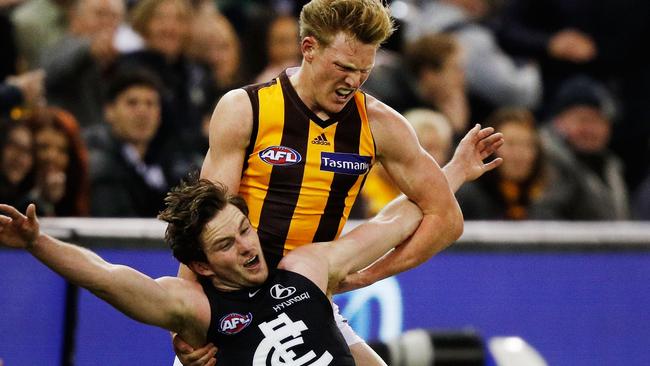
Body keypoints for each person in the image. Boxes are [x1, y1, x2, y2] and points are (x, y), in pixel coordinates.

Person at [182, 0, 503, 364]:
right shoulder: (246, 109)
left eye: (364, 72)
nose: (352, 82)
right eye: (343, 67)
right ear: (309, 48)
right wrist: (185, 325)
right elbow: (203, 225)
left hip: (308, 300)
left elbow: (445, 218)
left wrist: (367, 276)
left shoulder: (381, 125)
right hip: (230, 307)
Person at [1, 177, 436, 365]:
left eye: (245, 231)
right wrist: (38, 243)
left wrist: (454, 169)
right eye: (226, 245)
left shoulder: (305, 268)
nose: (247, 247)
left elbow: (389, 223)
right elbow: (104, 275)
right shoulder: (198, 310)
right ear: (201, 266)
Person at [40, 0, 125, 127]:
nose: (107, 22)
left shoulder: (125, 55)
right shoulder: (58, 49)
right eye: (100, 14)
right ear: (74, 17)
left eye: (114, 16)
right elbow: (49, 74)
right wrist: (88, 51)